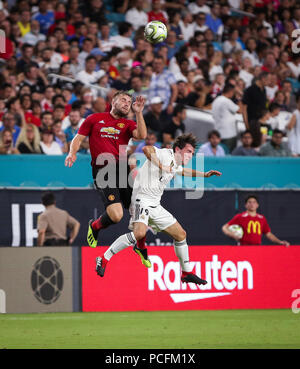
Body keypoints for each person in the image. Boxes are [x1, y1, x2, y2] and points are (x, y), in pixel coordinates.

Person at [95, 133, 222, 283]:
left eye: (192, 153)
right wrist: (160, 165)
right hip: (141, 200)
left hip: (155, 205)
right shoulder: (165, 154)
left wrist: (204, 175)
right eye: (188, 151)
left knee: (181, 234)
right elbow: (147, 149)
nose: (190, 155)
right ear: (178, 149)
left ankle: (186, 272)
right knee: (138, 233)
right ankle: (103, 258)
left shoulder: (174, 163)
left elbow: (183, 171)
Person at [64, 91, 147, 248]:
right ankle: (95, 226)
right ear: (113, 102)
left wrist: (139, 113)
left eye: (129, 102)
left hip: (123, 170)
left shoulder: (128, 124)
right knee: (116, 216)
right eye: (123, 100)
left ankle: (141, 247)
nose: (126, 103)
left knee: (138, 210)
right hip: (103, 170)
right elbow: (78, 138)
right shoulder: (94, 119)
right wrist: (72, 153)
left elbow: (141, 135)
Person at [222, 194, 290, 246]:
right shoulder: (240, 217)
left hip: (257, 248)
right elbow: (224, 227)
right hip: (243, 248)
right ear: (245, 205)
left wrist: (280, 242)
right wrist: (231, 234)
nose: (252, 204)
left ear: (257, 205)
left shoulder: (261, 218)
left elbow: (268, 234)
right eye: (249, 202)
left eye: (254, 202)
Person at [212, 83, 240, 153]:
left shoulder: (216, 100)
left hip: (218, 133)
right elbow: (239, 110)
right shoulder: (226, 101)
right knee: (228, 156)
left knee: (220, 154)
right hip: (228, 134)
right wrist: (240, 98)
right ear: (231, 92)